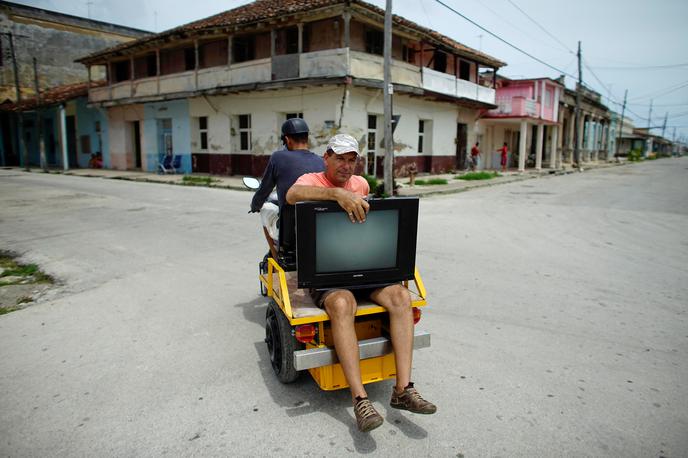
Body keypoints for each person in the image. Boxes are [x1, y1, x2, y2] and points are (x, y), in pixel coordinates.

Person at [286, 133, 436, 433]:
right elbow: (291, 195)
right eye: (340, 158)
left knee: (402, 298)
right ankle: (360, 400)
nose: (346, 165)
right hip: (328, 275)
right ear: (326, 157)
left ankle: (403, 390)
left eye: (351, 159)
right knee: (342, 304)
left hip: (364, 269)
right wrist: (336, 195)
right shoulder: (311, 180)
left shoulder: (362, 184)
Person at [250, 118, 324, 258]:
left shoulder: (278, 158)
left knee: (266, 217)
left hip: (290, 238)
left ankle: (276, 257)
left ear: (287, 140)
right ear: (307, 138)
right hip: (317, 231)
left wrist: (255, 205)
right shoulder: (321, 161)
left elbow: (265, 189)